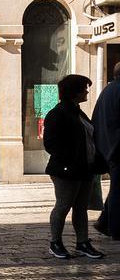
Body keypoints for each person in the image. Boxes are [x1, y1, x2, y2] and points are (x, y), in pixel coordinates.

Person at [44, 73, 106, 259]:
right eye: (84, 87)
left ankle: (82, 242)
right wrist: (70, 161)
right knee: (63, 205)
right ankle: (55, 242)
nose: (87, 91)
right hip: (67, 170)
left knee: (80, 207)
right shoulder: (58, 113)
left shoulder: (78, 112)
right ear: (74, 91)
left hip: (85, 168)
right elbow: (51, 144)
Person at [93, 62, 120, 240]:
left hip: (109, 147)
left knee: (117, 188)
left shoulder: (107, 90)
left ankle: (103, 222)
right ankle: (117, 229)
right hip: (117, 149)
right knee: (119, 191)